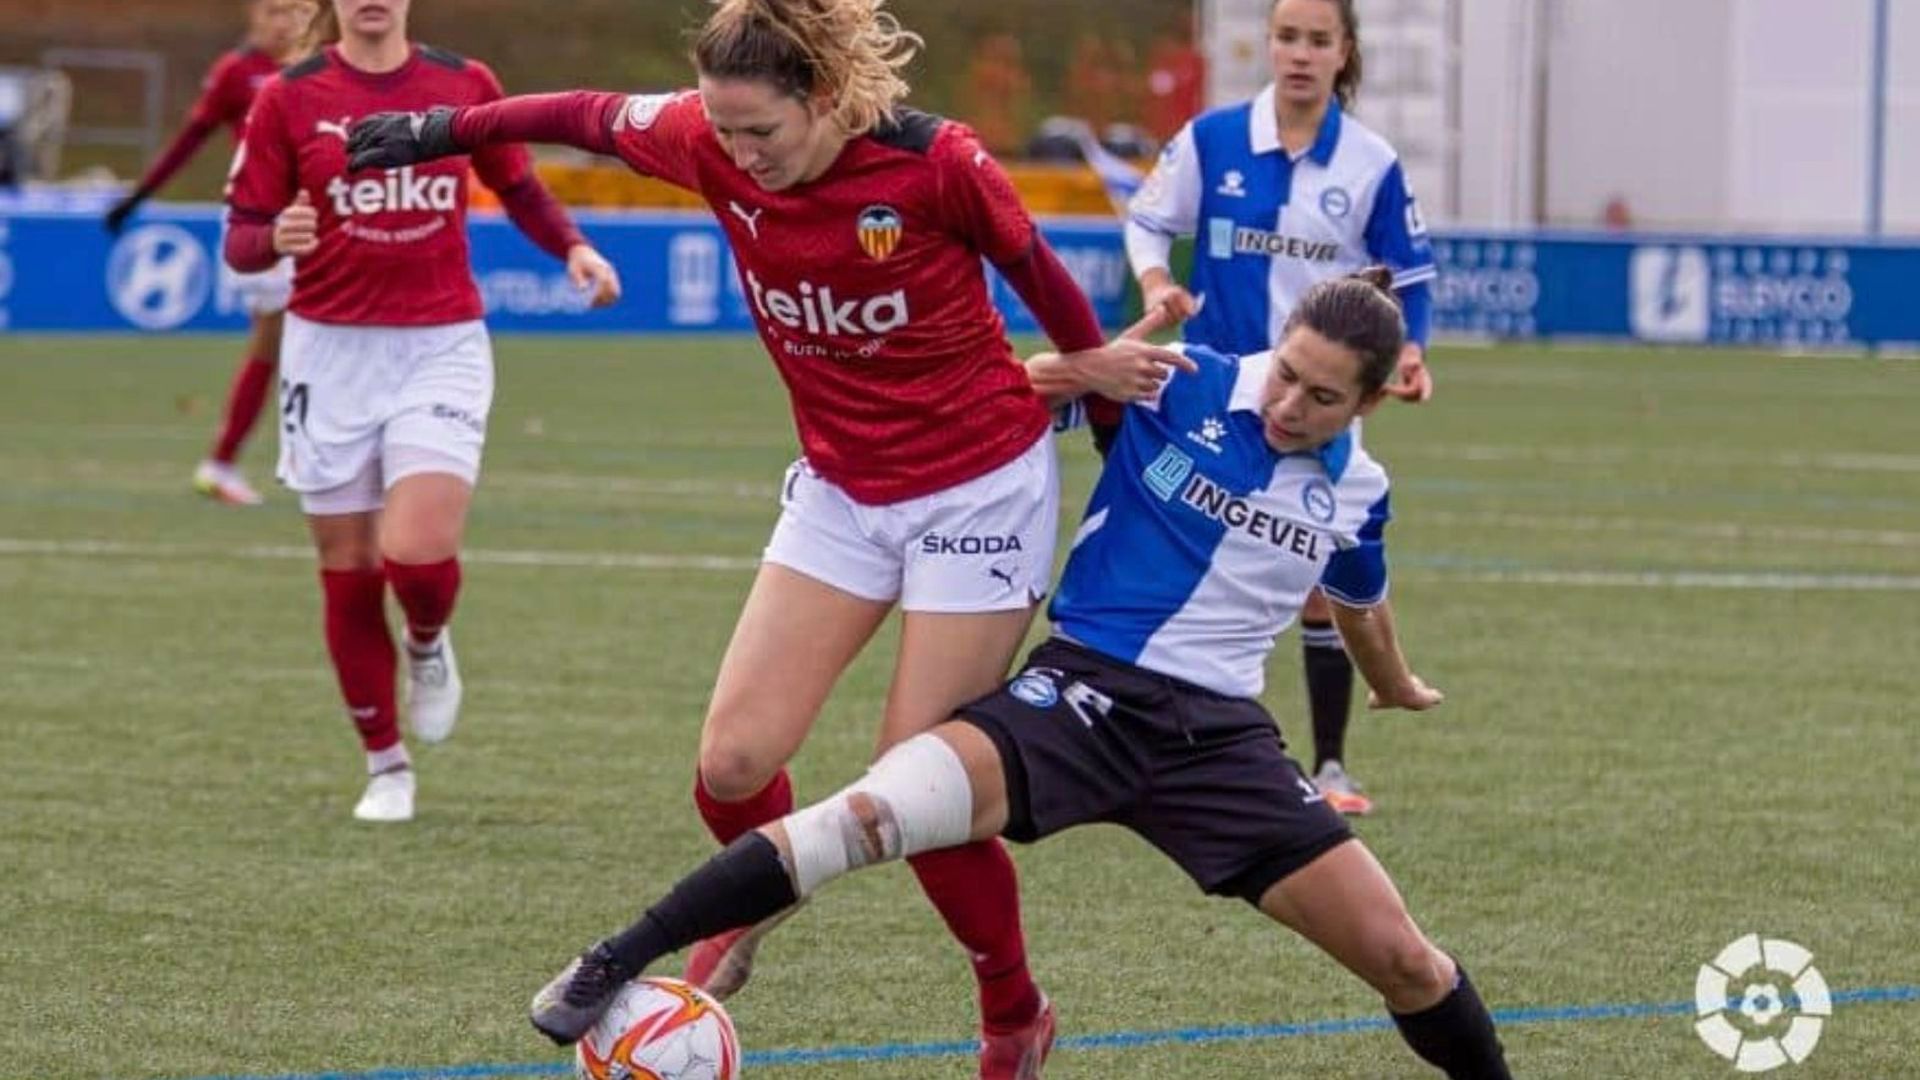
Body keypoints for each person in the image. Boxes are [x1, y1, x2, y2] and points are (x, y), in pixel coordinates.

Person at [346, 0, 1185, 1072]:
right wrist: (438, 132)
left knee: (917, 781)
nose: (740, 155)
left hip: (978, 493)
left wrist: (1105, 410)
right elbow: (583, 115)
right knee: (732, 763)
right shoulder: (704, 137)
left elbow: (1048, 286)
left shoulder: (938, 164)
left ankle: (1013, 1007)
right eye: (723, 131)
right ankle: (757, 895)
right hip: (841, 488)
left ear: (824, 98)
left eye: (763, 133)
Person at [524, 272, 1511, 1080]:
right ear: (1278, 343)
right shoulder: (1180, 382)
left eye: (1324, 398)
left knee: (1406, 961)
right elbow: (1008, 398)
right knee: (868, 812)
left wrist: (1393, 681)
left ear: (1370, 402)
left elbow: (1359, 603)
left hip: (1219, 743)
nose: (1292, 406)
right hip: (1080, 698)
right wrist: (1077, 365)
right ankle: (617, 955)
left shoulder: (1360, 491)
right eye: (1288, 374)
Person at [223, 0, 621, 823]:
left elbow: (517, 184)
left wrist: (575, 247)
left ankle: (428, 643)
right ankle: (386, 765)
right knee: (348, 564)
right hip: (328, 355)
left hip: (440, 343)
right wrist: (275, 238)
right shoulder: (288, 97)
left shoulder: (463, 83)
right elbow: (242, 237)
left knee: (416, 554)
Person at [1124, 0, 1438, 816]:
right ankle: (1154, 736)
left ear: (1344, 52)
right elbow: (1148, 220)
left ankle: (1330, 768)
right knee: (1192, 553)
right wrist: (1157, 282)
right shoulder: (1213, 140)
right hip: (1222, 400)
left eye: (1317, 40)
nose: (1300, 54)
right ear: (1268, 45)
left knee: (1317, 576)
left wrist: (1409, 351)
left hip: (1320, 408)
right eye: (1287, 37)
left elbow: (1410, 275)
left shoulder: (1370, 162)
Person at [104, 0, 321, 506]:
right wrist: (139, 196)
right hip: (264, 219)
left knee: (311, 338)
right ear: (252, 16)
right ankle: (224, 462)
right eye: (273, 11)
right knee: (278, 336)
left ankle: (293, 458)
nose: (284, 22)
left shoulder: (324, 68)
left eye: (295, 11)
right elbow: (191, 137)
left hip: (319, 214)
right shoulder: (238, 71)